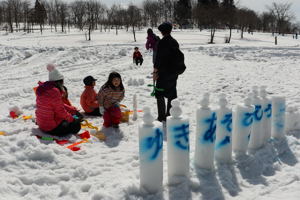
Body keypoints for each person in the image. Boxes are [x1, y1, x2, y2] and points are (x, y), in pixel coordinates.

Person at [35, 64, 83, 137]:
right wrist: (73, 119)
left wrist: (73, 110)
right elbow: (60, 112)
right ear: (59, 82)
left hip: (41, 123)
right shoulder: (54, 91)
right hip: (51, 128)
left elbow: (59, 105)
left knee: (68, 118)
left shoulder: (43, 88)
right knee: (76, 126)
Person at [153, 22, 181, 122]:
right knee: (172, 93)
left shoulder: (161, 42)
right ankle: (170, 114)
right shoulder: (174, 42)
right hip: (173, 73)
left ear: (162, 31)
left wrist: (155, 71)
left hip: (163, 73)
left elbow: (158, 58)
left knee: (159, 93)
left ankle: (161, 116)